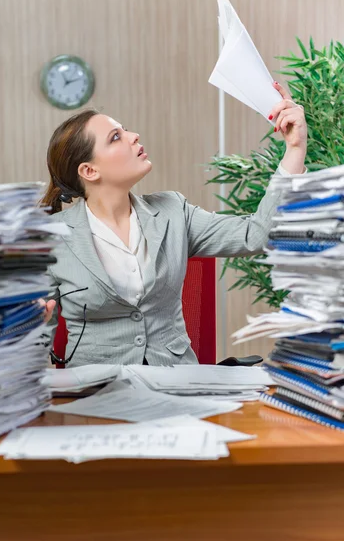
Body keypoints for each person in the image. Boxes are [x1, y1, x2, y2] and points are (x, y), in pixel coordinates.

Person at [39, 81, 307, 366]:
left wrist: (295, 149)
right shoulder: (51, 239)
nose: (133, 136)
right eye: (116, 137)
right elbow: (33, 340)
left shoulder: (173, 211)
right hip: (95, 391)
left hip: (175, 384)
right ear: (89, 170)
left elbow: (258, 234)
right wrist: (25, 327)